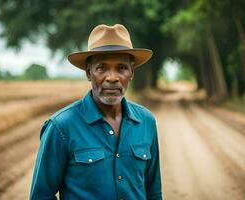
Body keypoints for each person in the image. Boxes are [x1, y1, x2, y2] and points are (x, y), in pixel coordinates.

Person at [30, 24, 162, 200]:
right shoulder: (61, 127)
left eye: (122, 68)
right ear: (88, 72)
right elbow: (41, 195)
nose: (112, 77)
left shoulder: (146, 121)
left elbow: (153, 191)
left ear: (131, 72)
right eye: (102, 68)